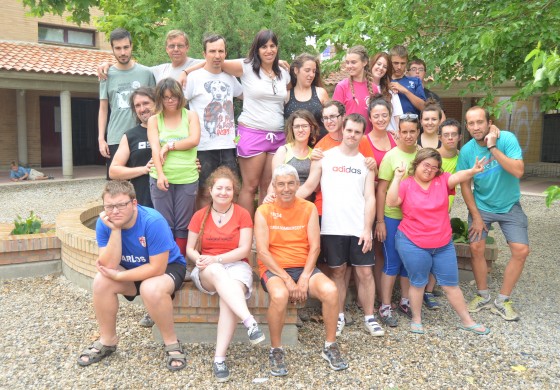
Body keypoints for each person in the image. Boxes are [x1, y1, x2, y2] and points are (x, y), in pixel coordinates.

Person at [77, 180, 187, 371]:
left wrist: (120, 277)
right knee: (101, 281)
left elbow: (157, 268)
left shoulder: (153, 221)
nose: (115, 211)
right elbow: (108, 265)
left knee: (150, 288)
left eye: (121, 205)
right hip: (132, 270)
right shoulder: (105, 223)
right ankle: (108, 341)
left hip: (168, 267)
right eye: (109, 206)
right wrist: (115, 230)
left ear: (134, 203)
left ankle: (171, 343)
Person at [255, 164, 348, 376]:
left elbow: (315, 246)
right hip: (275, 269)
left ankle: (330, 346)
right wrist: (288, 280)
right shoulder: (264, 211)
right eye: (281, 184)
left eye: (290, 183)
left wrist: (305, 276)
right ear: (274, 187)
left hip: (304, 266)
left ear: (298, 185)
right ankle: (276, 350)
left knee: (331, 291)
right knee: (279, 295)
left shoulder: (308, 208)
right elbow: (262, 252)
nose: (286, 188)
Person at [387, 148, 490, 335]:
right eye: (426, 165)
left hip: (442, 244)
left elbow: (458, 176)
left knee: (451, 284)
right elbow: (391, 201)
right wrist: (396, 178)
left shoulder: (442, 181)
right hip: (412, 241)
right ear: (417, 164)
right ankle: (417, 319)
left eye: (434, 167)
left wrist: (473, 171)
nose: (429, 170)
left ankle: (467, 321)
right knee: (418, 282)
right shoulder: (406, 184)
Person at [297, 114, 382, 338]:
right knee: (338, 272)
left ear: (362, 135)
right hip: (332, 227)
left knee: (364, 272)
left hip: (358, 227)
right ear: (342, 130)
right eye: (349, 130)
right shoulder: (325, 157)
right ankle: (340, 315)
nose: (352, 135)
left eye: (357, 132)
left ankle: (370, 317)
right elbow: (308, 186)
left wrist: (367, 228)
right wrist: (280, 200)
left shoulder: (366, 163)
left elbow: (370, 198)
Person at [186, 167, 265, 382]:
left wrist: (218, 258)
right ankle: (249, 322)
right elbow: (190, 248)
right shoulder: (200, 215)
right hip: (208, 270)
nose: (223, 192)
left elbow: (244, 250)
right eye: (219, 188)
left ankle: (219, 359)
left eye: (228, 189)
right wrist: (199, 258)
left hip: (237, 265)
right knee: (217, 271)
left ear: (234, 192)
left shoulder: (242, 214)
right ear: (210, 191)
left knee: (229, 300)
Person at [459, 106, 529, 321]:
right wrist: (476, 216)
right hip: (483, 206)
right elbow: (464, 186)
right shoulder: (467, 151)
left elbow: (518, 171)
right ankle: (483, 295)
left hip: (509, 205)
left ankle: (503, 300)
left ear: (489, 122)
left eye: (479, 122)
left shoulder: (506, 139)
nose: (475, 127)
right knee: (476, 247)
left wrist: (493, 148)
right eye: (471, 123)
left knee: (521, 250)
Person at [214, 29, 290, 216]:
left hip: (278, 135)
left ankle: (263, 230)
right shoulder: (246, 67)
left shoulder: (283, 73)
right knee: (250, 186)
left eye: (272, 46)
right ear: (256, 49)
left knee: (269, 185)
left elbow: (286, 92)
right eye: (264, 46)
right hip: (252, 132)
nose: (269, 50)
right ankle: (246, 230)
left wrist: (277, 64)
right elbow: (215, 62)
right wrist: (185, 71)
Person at [184, 34, 243, 208]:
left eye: (220, 51)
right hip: (203, 146)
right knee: (203, 192)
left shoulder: (230, 78)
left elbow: (247, 96)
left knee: (232, 191)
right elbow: (178, 108)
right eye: (212, 51)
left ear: (225, 53)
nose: (217, 55)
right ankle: (203, 232)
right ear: (204, 54)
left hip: (228, 146)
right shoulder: (194, 78)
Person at [147, 78, 200, 258]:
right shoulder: (154, 120)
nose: (170, 101)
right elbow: (155, 148)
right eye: (166, 97)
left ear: (180, 97)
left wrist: (169, 145)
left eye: (174, 96)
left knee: (183, 224)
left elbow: (194, 140)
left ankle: (181, 261)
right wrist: (160, 175)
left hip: (187, 176)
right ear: (159, 99)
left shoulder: (190, 115)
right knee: (164, 222)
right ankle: (167, 259)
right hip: (161, 177)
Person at [376, 114, 420, 327]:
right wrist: (380, 221)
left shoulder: (423, 155)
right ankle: (385, 305)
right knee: (392, 261)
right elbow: (381, 190)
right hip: (392, 217)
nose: (409, 135)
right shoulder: (391, 156)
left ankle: (405, 300)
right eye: (405, 132)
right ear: (398, 133)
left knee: (408, 262)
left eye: (413, 131)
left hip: (414, 219)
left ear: (418, 132)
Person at [98, 28, 155, 179]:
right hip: (116, 137)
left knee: (143, 183)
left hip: (143, 136)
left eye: (125, 47)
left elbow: (156, 106)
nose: (122, 52)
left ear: (131, 46)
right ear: (112, 49)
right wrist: (101, 138)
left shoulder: (146, 73)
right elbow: (103, 108)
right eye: (118, 48)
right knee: (117, 189)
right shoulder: (106, 75)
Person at [365, 96, 398, 300]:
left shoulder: (396, 138)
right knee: (375, 249)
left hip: (393, 202)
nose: (380, 119)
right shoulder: (363, 141)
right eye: (376, 115)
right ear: (370, 117)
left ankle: (387, 294)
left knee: (389, 247)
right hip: (370, 201)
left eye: (384, 115)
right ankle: (376, 295)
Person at [109, 87, 156, 208]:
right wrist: (144, 169)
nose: (142, 109)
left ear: (157, 103)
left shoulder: (171, 130)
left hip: (171, 200)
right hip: (142, 204)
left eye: (146, 103)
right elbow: (113, 171)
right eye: (137, 105)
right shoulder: (130, 136)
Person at [99, 30, 203, 83]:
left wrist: (186, 72)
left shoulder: (196, 64)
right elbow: (135, 69)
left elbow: (214, 61)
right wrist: (109, 64)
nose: (176, 49)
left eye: (180, 45)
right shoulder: (161, 70)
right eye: (172, 46)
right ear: (167, 49)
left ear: (187, 47)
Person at [268, 110, 320, 200]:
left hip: (305, 204)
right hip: (282, 199)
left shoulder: (314, 154)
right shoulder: (283, 151)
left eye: (304, 126)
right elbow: (274, 181)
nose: (300, 130)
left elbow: (314, 187)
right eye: (296, 126)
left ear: (311, 128)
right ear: (292, 129)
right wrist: (271, 197)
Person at [333, 45, 377, 134]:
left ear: (364, 62)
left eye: (353, 62)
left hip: (368, 140)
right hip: (349, 139)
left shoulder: (374, 88)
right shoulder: (341, 87)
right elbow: (336, 118)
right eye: (347, 62)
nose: (349, 66)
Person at [284, 53, 330, 138]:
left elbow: (331, 119)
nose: (312, 75)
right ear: (296, 70)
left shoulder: (321, 93)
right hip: (295, 148)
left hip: (320, 146)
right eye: (307, 70)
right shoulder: (286, 95)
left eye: (314, 71)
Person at [369, 52, 403, 131]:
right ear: (372, 64)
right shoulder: (362, 88)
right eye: (378, 64)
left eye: (385, 67)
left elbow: (398, 115)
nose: (381, 68)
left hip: (389, 135)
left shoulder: (390, 91)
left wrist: (399, 132)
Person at [389, 45, 426, 116]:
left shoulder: (415, 81)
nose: (399, 67)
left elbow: (424, 108)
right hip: (389, 126)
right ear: (390, 62)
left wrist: (405, 91)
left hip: (412, 125)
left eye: (402, 63)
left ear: (406, 63)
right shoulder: (383, 82)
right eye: (396, 63)